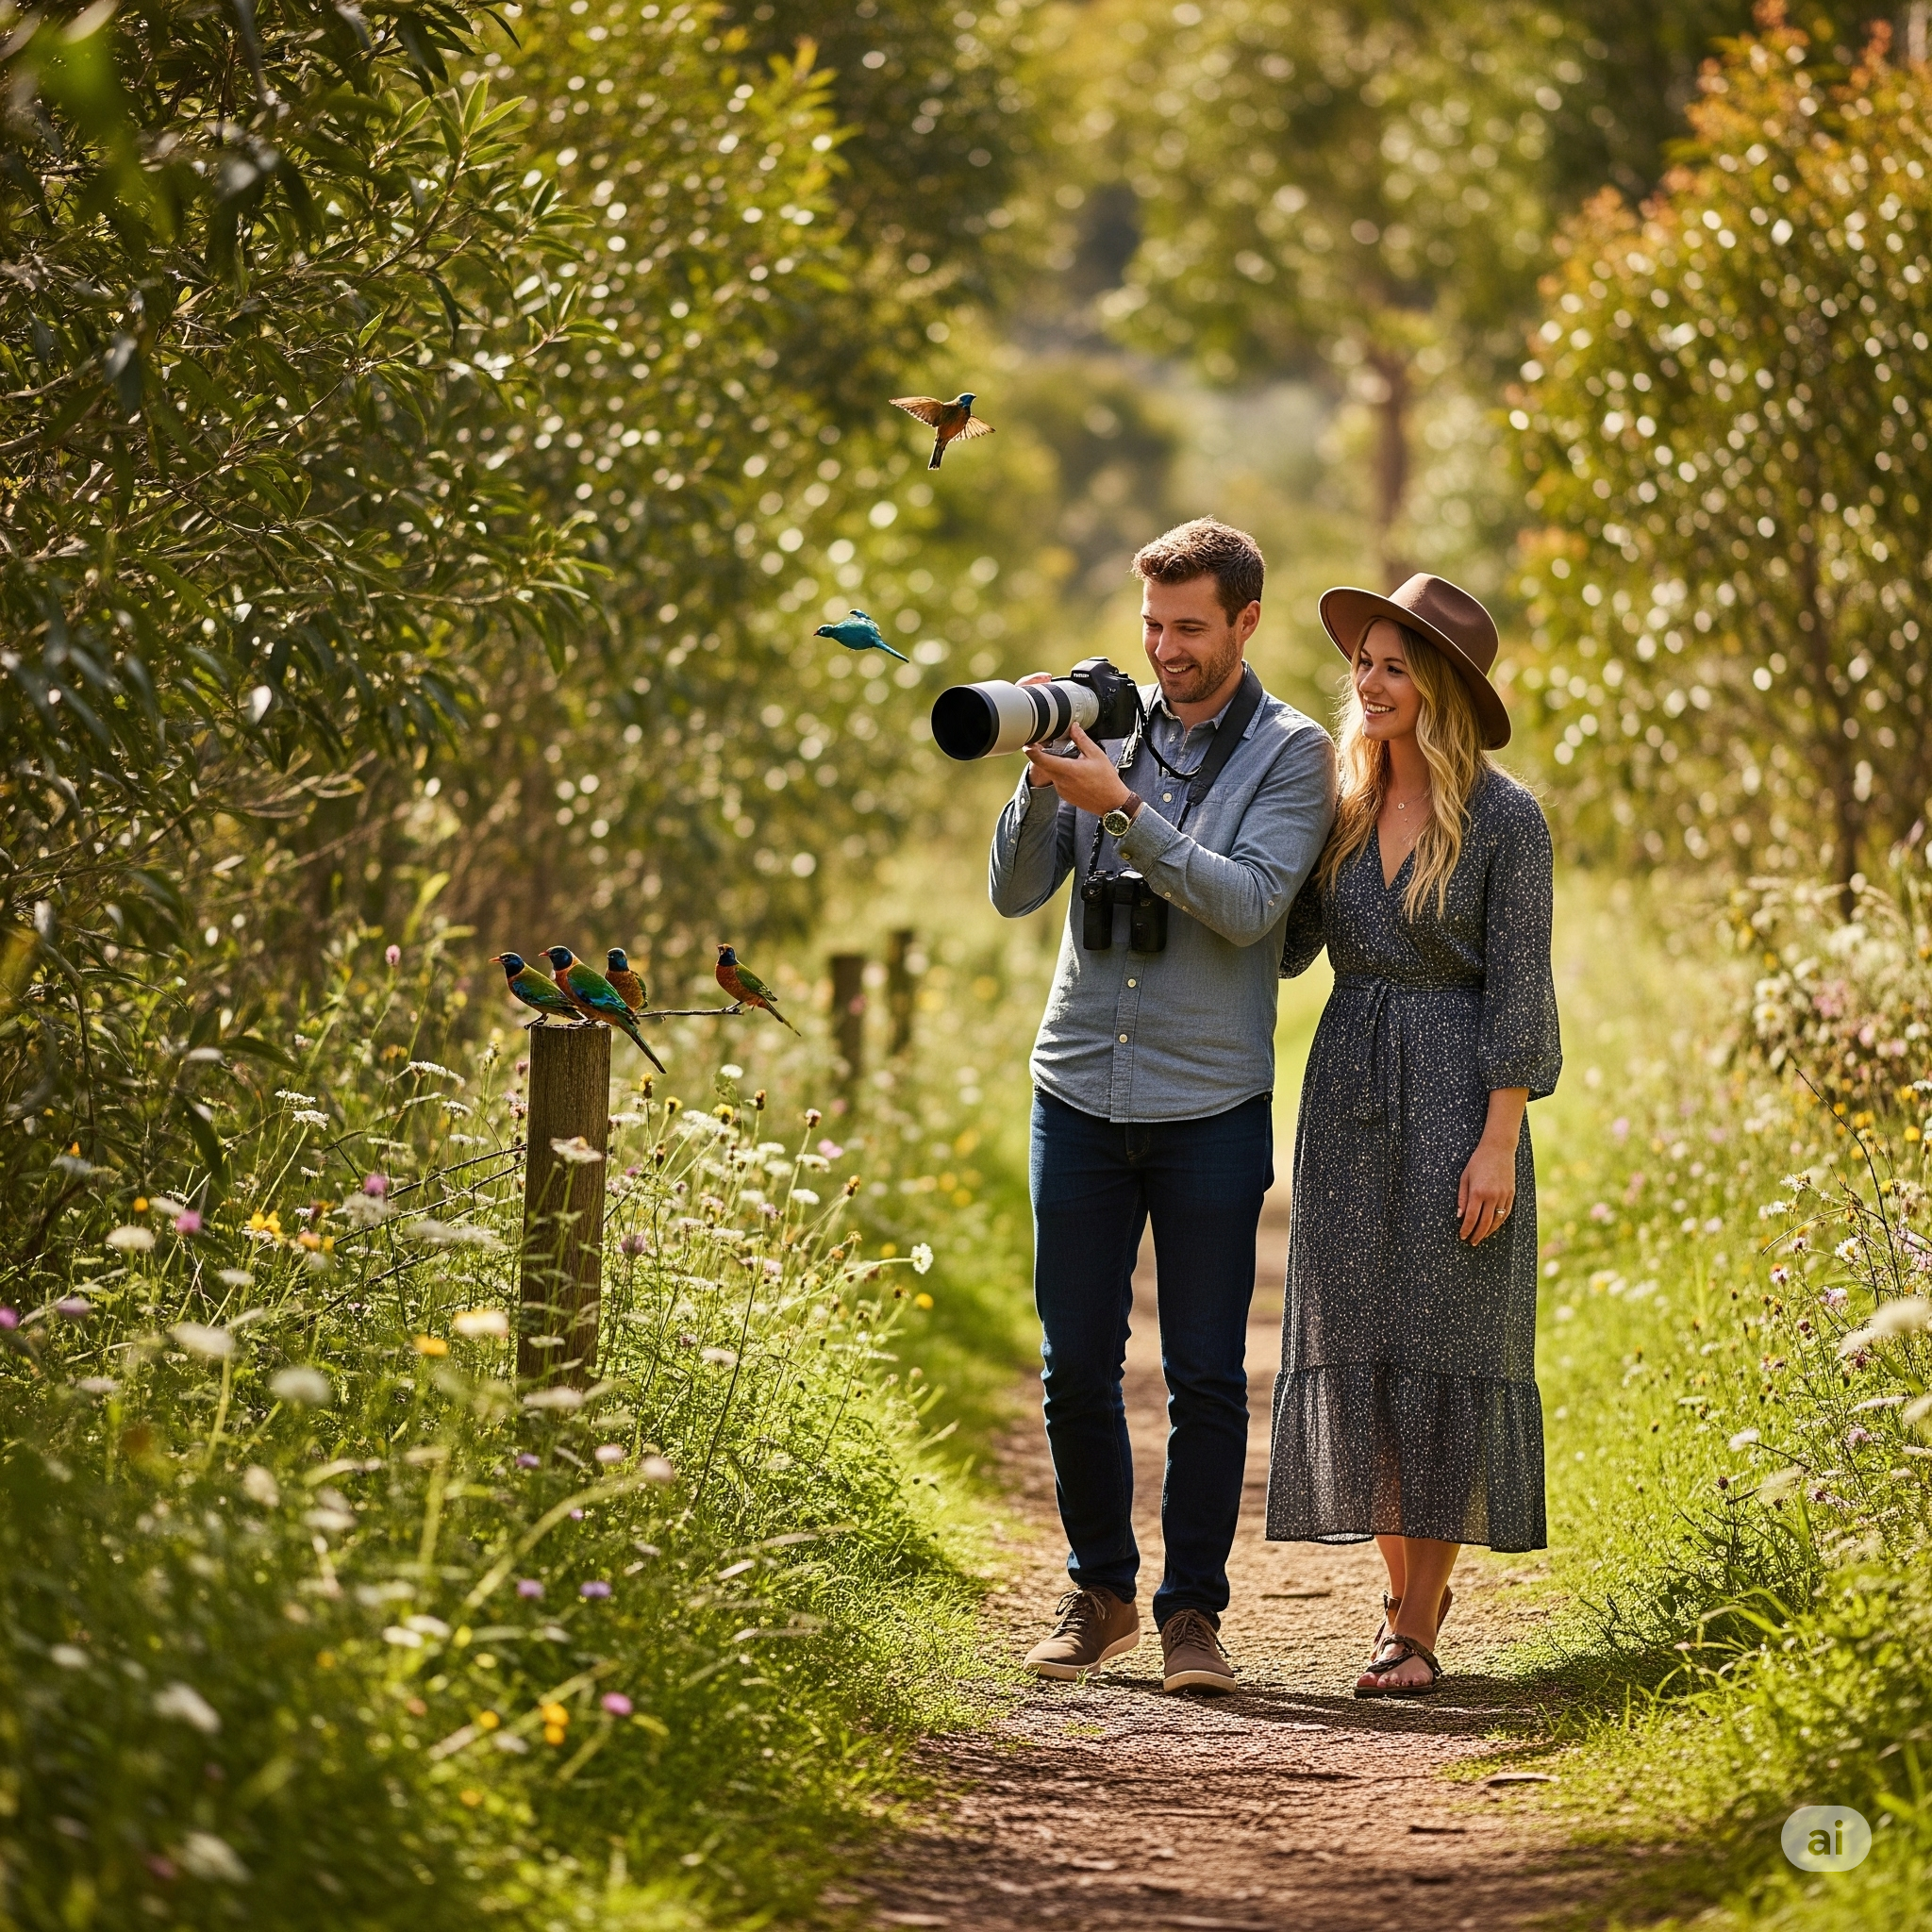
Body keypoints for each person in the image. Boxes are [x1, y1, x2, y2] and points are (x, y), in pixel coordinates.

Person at [989, 518, 1338, 1693]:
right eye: (1151, 624)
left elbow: (1246, 906)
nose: (1164, 648)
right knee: (1072, 1360)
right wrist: (1046, 774)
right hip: (1076, 1079)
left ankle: (1192, 1612)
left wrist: (1126, 806)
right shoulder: (1108, 715)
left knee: (1200, 1368)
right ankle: (1097, 1592)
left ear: (1245, 620)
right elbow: (1012, 891)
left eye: (1189, 627)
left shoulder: (1292, 752)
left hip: (1206, 1098)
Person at [1265, 573, 1561, 1697]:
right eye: (1363, 661)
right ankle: (1401, 1604)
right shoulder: (1336, 802)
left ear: (1436, 684)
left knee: (1445, 1339)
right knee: (1367, 1340)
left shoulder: (1503, 818)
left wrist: (1497, 1139)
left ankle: (1415, 1621)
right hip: (1344, 1089)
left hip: (1456, 1096)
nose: (1370, 681)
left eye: (1395, 664)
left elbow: (1519, 994)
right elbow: (1284, 943)